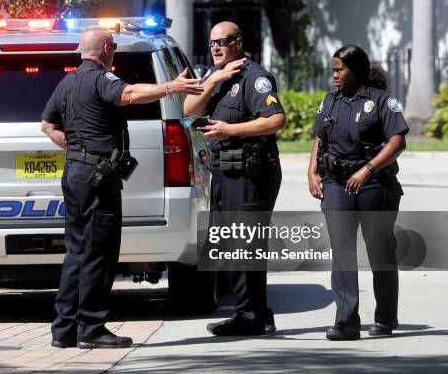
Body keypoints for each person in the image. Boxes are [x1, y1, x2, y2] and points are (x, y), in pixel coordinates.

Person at [41, 26, 203, 349]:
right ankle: (91, 327)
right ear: (103, 49)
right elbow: (128, 95)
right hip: (97, 178)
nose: (113, 53)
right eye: (112, 47)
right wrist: (171, 87)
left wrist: (74, 148)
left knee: (76, 251)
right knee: (99, 252)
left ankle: (64, 329)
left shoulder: (66, 83)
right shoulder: (102, 79)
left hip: (75, 174)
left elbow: (47, 125)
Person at [184, 21, 286, 336]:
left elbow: (276, 119)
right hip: (225, 173)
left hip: (250, 173)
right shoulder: (215, 77)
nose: (216, 47)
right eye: (212, 41)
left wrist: (231, 130)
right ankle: (256, 313)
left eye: (223, 41)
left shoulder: (254, 78)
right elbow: (189, 107)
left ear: (237, 42)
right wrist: (214, 80)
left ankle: (250, 317)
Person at [308, 45, 408, 341]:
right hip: (337, 184)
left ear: (356, 70)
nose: (335, 75)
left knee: (379, 252)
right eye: (334, 70)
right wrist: (312, 171)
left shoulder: (381, 102)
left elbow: (398, 141)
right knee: (342, 252)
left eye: (339, 69)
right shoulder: (330, 101)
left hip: (374, 185)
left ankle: (385, 318)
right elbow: (319, 137)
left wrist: (368, 170)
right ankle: (346, 321)